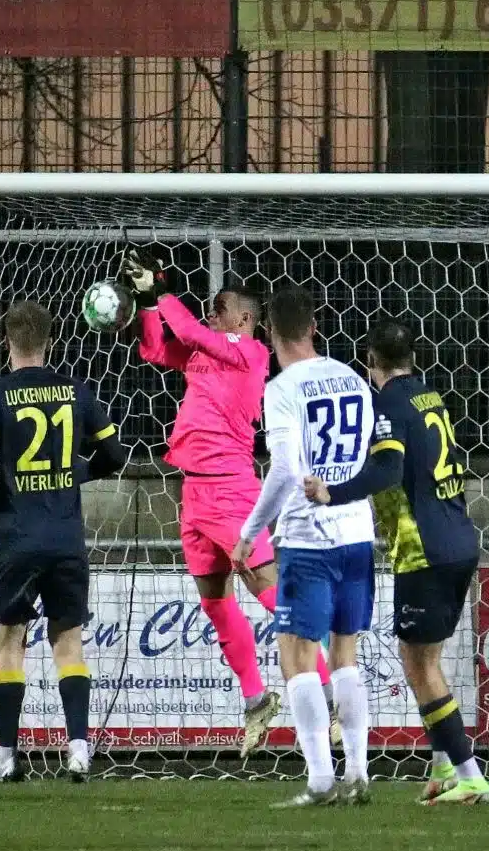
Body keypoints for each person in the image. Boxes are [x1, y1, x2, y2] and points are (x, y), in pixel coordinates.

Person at [122, 249, 336, 756]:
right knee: (215, 602)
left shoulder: (250, 352)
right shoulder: (207, 353)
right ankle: (256, 700)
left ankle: (330, 700)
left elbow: (192, 332)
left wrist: (162, 293)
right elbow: (155, 350)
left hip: (230, 488)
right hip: (193, 491)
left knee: (271, 593)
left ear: (243, 319)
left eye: (220, 310)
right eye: (210, 310)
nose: (211, 316)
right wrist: (147, 306)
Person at [303, 319, 489, 805]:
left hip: (424, 551)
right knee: (427, 663)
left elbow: (388, 470)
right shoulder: (429, 396)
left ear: (371, 361)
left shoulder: (388, 403)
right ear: (413, 357)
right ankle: (444, 766)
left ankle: (471, 777)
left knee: (419, 666)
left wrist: (332, 492)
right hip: (459, 540)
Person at [0, 300, 128, 783]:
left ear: (5, 341)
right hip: (66, 537)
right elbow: (116, 453)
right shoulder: (75, 391)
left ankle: (7, 759)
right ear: (50, 340)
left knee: (10, 642)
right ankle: (79, 752)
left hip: (16, 537)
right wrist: (80, 473)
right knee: (68, 643)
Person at [234, 286, 376, 807]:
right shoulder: (354, 378)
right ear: (314, 328)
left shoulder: (283, 388)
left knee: (296, 657)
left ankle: (320, 781)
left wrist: (248, 534)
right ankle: (358, 773)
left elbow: (284, 471)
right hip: (356, 532)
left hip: (309, 539)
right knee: (345, 655)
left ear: (270, 333)